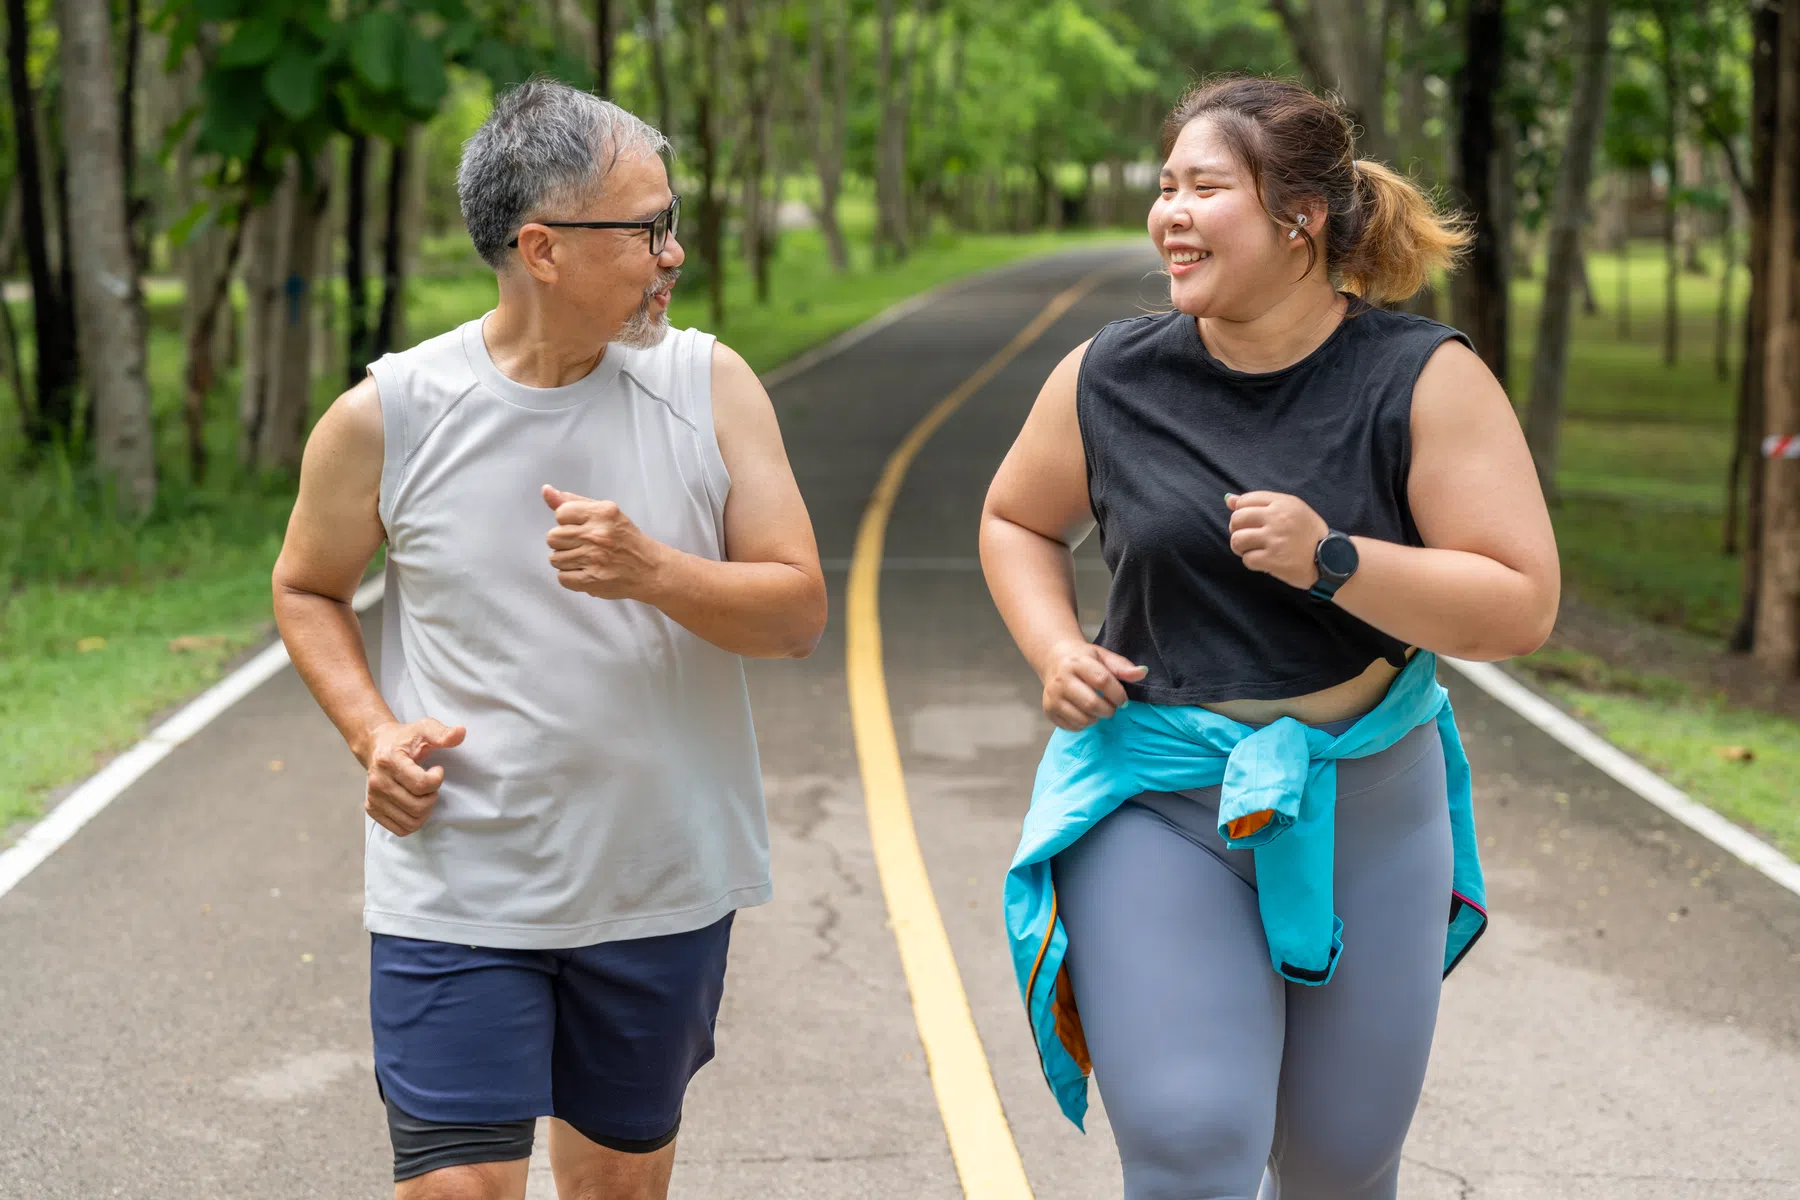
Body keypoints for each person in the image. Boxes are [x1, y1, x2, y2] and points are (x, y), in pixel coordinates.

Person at [983, 76, 1559, 1199]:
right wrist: (1055, 647)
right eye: (1166, 189)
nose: (1170, 214)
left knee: (1343, 1162)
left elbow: (1519, 602)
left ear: (1301, 220)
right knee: (1193, 1141)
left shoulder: (1423, 378)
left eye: (1206, 188)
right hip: (1160, 795)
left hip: (1369, 804)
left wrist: (1334, 559)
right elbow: (1015, 518)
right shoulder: (1111, 375)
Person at [272, 81, 826, 1200]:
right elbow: (307, 587)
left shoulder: (707, 385)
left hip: (657, 885)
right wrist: (371, 733)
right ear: (543, 248)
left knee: (615, 1188)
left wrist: (654, 572)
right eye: (648, 229)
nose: (674, 255)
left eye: (671, 222)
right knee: (456, 1188)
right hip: (458, 885)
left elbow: (797, 611)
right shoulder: (390, 415)